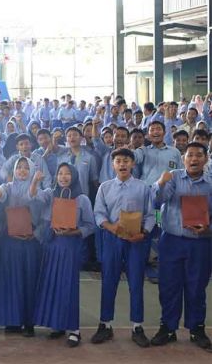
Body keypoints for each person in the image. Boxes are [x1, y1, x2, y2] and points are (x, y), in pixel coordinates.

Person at [150, 142, 212, 350]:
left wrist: (208, 230)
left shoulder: (211, 184)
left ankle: (197, 329)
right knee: (169, 286)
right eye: (190, 155)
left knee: (196, 287)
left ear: (206, 159)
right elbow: (158, 201)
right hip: (172, 241)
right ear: (183, 159)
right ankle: (167, 327)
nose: (194, 159)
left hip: (200, 243)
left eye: (198, 155)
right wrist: (159, 183)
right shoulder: (173, 177)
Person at [92, 148, 155, 348]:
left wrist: (143, 233)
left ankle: (137, 326)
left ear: (133, 164)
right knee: (109, 281)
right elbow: (99, 213)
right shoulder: (105, 187)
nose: (122, 164)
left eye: (126, 160)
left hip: (136, 241)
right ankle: (105, 324)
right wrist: (111, 227)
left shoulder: (143, 187)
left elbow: (151, 214)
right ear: (113, 165)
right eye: (118, 160)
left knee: (136, 283)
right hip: (112, 239)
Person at [30, 164, 95, 347]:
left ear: (74, 176)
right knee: (51, 285)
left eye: (67, 174)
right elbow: (33, 194)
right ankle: (57, 325)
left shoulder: (82, 199)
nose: (63, 177)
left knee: (68, 286)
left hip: (70, 246)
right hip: (51, 246)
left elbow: (90, 226)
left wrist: (72, 231)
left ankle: (74, 330)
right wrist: (35, 180)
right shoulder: (51, 194)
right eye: (60, 173)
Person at [0, 157, 43, 337]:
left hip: (30, 243)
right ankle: (12, 320)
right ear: (14, 170)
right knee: (11, 280)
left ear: (31, 170)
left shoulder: (39, 190)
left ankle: (29, 322)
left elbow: (44, 217)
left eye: (25, 168)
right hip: (11, 242)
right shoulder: (9, 187)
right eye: (19, 168)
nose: (22, 171)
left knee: (30, 281)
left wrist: (35, 234)